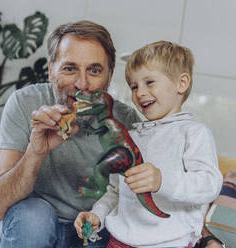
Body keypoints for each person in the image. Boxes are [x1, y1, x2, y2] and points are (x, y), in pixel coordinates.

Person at [0, 20, 141, 248]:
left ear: (109, 77)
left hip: (91, 231)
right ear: (51, 71)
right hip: (29, 224)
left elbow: (152, 193)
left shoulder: (126, 122)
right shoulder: (25, 102)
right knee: (35, 216)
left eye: (95, 70)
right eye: (70, 69)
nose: (82, 84)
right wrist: (36, 152)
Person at [74, 41, 224, 248]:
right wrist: (96, 214)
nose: (139, 93)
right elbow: (115, 191)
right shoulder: (131, 136)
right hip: (120, 241)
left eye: (149, 82)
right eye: (134, 86)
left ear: (181, 84)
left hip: (170, 242)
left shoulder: (194, 133)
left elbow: (209, 185)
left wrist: (162, 181)